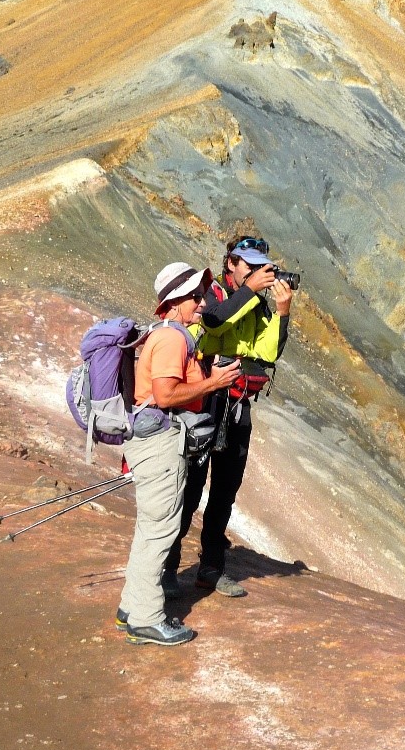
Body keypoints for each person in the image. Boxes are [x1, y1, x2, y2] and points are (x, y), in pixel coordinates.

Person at [116, 263, 241, 645]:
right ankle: (146, 619)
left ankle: (132, 607)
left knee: (151, 527)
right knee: (161, 530)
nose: (202, 303)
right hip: (159, 443)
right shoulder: (172, 339)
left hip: (153, 439)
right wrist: (214, 382)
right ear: (175, 301)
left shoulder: (167, 334)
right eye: (195, 297)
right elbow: (167, 395)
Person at [162, 236, 293, 598]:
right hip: (203, 402)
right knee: (187, 490)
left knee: (224, 492)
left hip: (236, 406)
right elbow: (215, 323)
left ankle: (211, 569)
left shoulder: (258, 306)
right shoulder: (210, 296)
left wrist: (282, 313)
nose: (255, 273)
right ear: (230, 264)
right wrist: (250, 291)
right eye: (247, 266)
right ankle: (167, 568)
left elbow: (268, 352)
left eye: (258, 267)